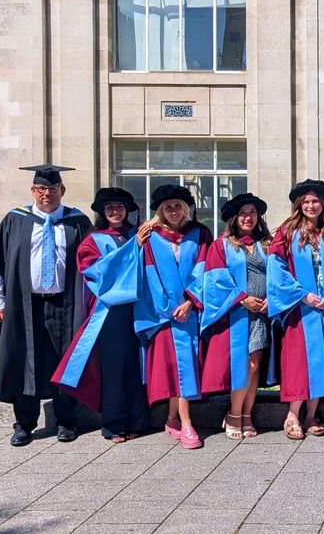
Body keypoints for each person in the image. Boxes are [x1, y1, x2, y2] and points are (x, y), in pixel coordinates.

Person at [0, 165, 94, 446]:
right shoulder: (15, 220)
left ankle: (66, 422)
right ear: (33, 191)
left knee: (66, 360)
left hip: (66, 303)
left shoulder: (77, 222)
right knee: (24, 361)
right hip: (24, 303)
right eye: (41, 189)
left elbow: (94, 263)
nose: (47, 193)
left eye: (53, 189)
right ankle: (24, 424)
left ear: (62, 191)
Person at [51, 187, 149, 443]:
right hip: (110, 313)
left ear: (128, 209)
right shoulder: (93, 240)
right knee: (114, 370)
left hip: (139, 309)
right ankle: (114, 425)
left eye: (119, 207)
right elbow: (97, 273)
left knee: (137, 367)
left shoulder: (138, 234)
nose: (115, 211)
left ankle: (139, 421)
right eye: (110, 208)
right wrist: (133, 247)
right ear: (103, 213)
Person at [268, 180, 324, 440]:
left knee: (323, 360)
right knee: (298, 362)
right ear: (299, 205)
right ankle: (292, 415)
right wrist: (303, 295)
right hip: (300, 308)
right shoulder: (286, 232)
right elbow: (276, 269)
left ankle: (312, 414)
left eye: (315, 201)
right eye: (306, 201)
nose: (311, 205)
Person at [134, 184, 213, 449]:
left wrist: (190, 302)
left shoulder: (200, 234)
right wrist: (169, 309)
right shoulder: (150, 236)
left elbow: (204, 269)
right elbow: (148, 276)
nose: (174, 211)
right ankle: (187, 424)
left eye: (178, 205)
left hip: (191, 312)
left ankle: (172, 418)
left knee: (184, 366)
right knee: (178, 368)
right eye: (168, 207)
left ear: (186, 208)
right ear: (159, 210)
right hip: (163, 315)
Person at [201, 193, 274, 440]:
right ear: (233, 218)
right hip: (236, 313)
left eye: (252, 213)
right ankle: (234, 414)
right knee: (243, 364)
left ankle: (246, 415)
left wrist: (271, 300)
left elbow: (279, 275)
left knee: (255, 363)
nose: (248, 217)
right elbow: (215, 280)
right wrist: (242, 298)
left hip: (262, 313)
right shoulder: (222, 245)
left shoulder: (266, 243)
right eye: (243, 213)